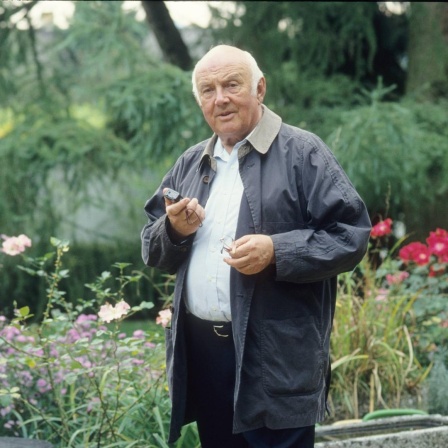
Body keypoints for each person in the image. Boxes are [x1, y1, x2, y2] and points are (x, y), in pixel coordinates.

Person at [141, 45, 371, 448]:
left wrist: (277, 252)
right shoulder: (192, 162)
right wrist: (174, 230)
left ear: (260, 88)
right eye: (208, 90)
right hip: (204, 354)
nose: (221, 98)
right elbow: (151, 247)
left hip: (276, 357)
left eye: (232, 85)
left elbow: (350, 234)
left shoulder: (303, 153)